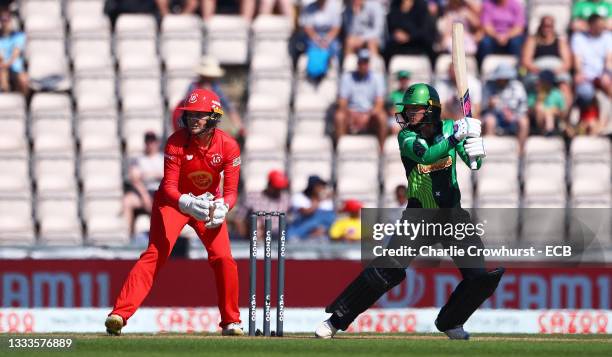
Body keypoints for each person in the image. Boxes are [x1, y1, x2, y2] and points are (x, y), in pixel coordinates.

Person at [315, 83, 504, 339]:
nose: (408, 114)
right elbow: (426, 156)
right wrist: (456, 137)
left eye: (414, 109)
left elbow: (473, 164)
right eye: (409, 110)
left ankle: (452, 321)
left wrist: (474, 148)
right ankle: (336, 320)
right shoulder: (407, 137)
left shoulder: (451, 128)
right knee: (386, 270)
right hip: (418, 216)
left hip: (452, 216)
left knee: (479, 278)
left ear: (430, 110)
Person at [105, 88, 244, 336]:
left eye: (199, 115)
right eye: (190, 115)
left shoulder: (229, 146)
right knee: (155, 253)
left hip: (206, 204)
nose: (193, 120)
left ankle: (231, 321)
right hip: (173, 203)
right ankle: (119, 314)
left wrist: (224, 207)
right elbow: (169, 187)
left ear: (213, 117)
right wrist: (186, 203)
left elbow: (232, 191)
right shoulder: (175, 142)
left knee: (223, 258)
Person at [172, 55, 244, 136]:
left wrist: (239, 125)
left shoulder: (216, 88)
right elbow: (189, 110)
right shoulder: (193, 87)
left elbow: (229, 107)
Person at [334, 48, 387, 148]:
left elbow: (379, 103)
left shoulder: (377, 78)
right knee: (339, 116)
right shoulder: (347, 77)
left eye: (365, 62)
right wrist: (351, 113)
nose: (363, 65)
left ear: (369, 63)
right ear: (357, 63)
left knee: (382, 117)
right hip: (351, 114)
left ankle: (381, 151)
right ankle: (340, 149)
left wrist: (367, 115)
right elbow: (342, 102)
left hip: (370, 116)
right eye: (361, 62)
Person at [521, 16, 573, 108]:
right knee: (540, 86)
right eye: (545, 26)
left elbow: (567, 63)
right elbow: (526, 60)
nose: (547, 28)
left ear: (553, 27)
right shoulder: (532, 40)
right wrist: (538, 70)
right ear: (540, 26)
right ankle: (538, 113)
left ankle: (564, 113)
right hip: (537, 73)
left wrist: (557, 71)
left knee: (564, 86)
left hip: (557, 73)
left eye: (549, 26)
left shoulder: (560, 42)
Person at [571, 14, 612, 125]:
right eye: (598, 26)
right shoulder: (578, 38)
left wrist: (606, 74)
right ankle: (585, 121)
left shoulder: (608, 37)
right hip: (586, 76)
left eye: (602, 26)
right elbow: (577, 60)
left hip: (604, 75)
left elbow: (609, 59)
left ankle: (606, 123)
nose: (601, 29)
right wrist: (579, 73)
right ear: (590, 25)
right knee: (585, 93)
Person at [122, 132, 164, 238]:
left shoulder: (163, 158)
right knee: (128, 201)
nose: (150, 145)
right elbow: (135, 179)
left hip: (160, 191)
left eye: (152, 142)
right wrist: (145, 196)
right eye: (148, 142)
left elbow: (167, 176)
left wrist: (148, 175)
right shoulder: (139, 159)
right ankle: (129, 236)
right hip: (144, 192)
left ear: (157, 143)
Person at [482, 64, 529, 154]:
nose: (502, 80)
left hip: (514, 118)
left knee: (524, 121)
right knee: (489, 121)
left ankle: (520, 152)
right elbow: (483, 108)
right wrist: (489, 104)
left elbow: (523, 107)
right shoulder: (488, 86)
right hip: (495, 117)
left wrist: (514, 115)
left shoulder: (518, 87)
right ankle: (490, 151)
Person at [231, 169, 291, 240]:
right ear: (269, 184)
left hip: (277, 237)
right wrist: (245, 238)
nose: (278, 191)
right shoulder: (252, 197)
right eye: (276, 188)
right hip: (253, 236)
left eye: (280, 188)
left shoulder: (286, 199)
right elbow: (239, 219)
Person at [299, 0, 342, 80]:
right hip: (313, 37)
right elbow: (308, 28)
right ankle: (313, 69)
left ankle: (330, 68)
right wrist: (317, 40)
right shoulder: (310, 7)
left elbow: (336, 28)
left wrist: (327, 40)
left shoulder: (334, 6)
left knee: (335, 47)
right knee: (311, 46)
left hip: (330, 37)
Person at [385, 0, 436, 64]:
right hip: (398, 45)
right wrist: (397, 34)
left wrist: (408, 37)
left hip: (418, 44)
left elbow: (425, 30)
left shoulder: (421, 6)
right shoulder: (395, 4)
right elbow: (392, 25)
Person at [287, 175, 335, 241]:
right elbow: (305, 212)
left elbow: (330, 220)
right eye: (320, 186)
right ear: (313, 187)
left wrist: (323, 229)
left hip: (318, 238)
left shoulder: (327, 202)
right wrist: (318, 200)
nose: (322, 189)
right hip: (298, 235)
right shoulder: (298, 197)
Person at [527, 70, 566, 136]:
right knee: (540, 108)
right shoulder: (533, 94)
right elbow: (529, 110)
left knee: (549, 112)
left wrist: (554, 110)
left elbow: (563, 112)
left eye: (542, 81)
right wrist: (538, 99)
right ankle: (546, 130)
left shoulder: (556, 93)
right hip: (536, 120)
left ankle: (549, 130)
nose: (538, 82)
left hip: (554, 118)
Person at [0, 7, 28, 96]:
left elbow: (15, 54)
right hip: (2, 67)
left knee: (24, 79)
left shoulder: (19, 36)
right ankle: (6, 96)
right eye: (3, 20)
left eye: (7, 20)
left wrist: (6, 64)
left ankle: (25, 102)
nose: (5, 23)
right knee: (3, 72)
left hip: (16, 68)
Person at [386, 70, 412, 134]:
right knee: (395, 128)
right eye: (402, 79)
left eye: (405, 79)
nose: (404, 81)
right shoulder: (393, 95)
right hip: (397, 118)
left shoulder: (412, 94)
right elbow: (391, 110)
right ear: (399, 80)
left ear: (408, 80)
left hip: (409, 118)